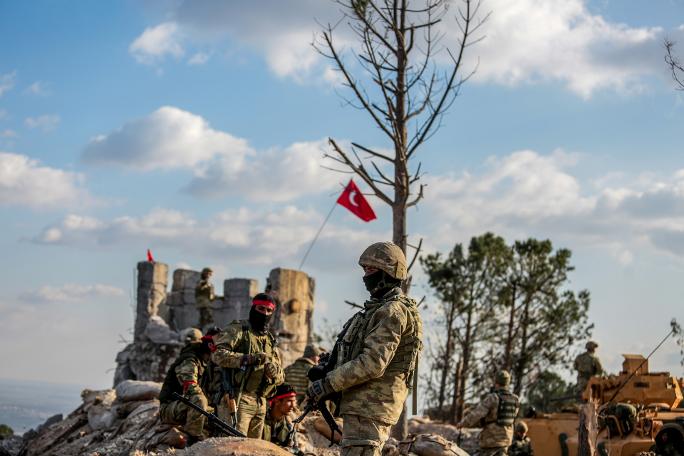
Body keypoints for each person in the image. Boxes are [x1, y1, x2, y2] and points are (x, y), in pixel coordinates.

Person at [307, 241, 424, 456]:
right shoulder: (379, 310)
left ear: (388, 273)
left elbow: (372, 363)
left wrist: (328, 383)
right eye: (365, 269)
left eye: (371, 270)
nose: (365, 276)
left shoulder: (392, 311)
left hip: (370, 407)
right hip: (364, 406)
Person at [212, 293, 285, 438]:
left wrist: (274, 374)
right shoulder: (239, 329)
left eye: (269, 311)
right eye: (261, 309)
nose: (265, 313)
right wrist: (248, 359)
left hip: (261, 402)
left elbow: (281, 376)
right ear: (253, 308)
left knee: (255, 449)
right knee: (234, 446)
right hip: (239, 398)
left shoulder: (270, 340)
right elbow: (218, 355)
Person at [159, 331, 215, 444]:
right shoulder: (189, 360)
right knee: (199, 400)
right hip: (170, 408)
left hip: (185, 407)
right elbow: (190, 387)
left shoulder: (206, 363)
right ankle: (192, 439)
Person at [457, 370, 520, 456]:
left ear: (496, 382)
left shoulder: (493, 398)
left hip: (491, 440)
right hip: (506, 440)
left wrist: (462, 423)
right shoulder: (515, 399)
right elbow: (512, 417)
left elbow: (477, 414)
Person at [263, 383, 298, 449]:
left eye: (294, 401)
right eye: (289, 401)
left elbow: (295, 449)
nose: (293, 405)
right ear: (277, 401)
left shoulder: (289, 426)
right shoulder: (260, 420)